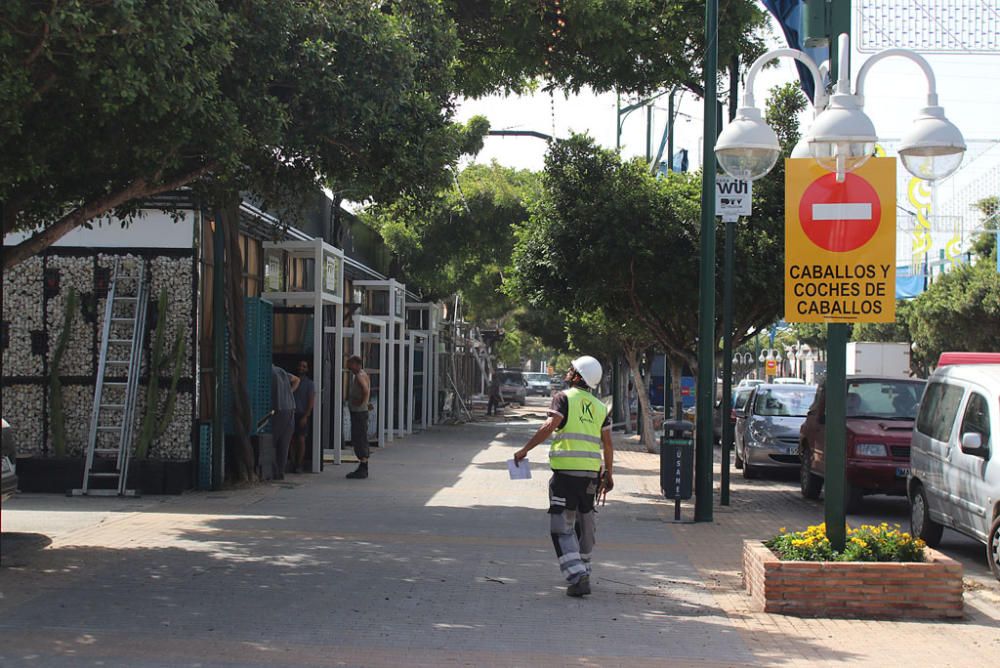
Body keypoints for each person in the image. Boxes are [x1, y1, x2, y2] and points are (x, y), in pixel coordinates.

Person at [513, 355, 613, 597]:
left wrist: (525, 450)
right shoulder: (600, 407)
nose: (568, 372)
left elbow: (549, 426)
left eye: (572, 369)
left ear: (578, 376)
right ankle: (585, 567)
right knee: (585, 521)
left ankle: (578, 576)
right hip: (590, 475)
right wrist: (608, 474)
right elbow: (608, 444)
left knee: (561, 526)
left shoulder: (563, 398)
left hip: (566, 474)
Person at [271, 364, 300, 481]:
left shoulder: (266, 373)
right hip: (290, 408)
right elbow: (297, 379)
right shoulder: (280, 370)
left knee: (271, 442)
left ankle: (272, 472)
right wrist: (289, 392)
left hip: (278, 409)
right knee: (284, 444)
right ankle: (280, 472)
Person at [345, 355, 371, 479]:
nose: (348, 367)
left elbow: (365, 390)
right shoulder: (363, 374)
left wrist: (362, 402)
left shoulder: (359, 376)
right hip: (360, 412)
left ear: (356, 364)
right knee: (360, 437)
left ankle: (363, 466)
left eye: (349, 364)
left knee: (359, 437)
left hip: (359, 413)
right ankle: (363, 465)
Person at [290, 358, 316, 473]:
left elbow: (311, 401)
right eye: (300, 365)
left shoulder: (309, 384)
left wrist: (306, 416)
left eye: (304, 366)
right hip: (291, 413)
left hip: (302, 414)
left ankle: (299, 464)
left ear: (307, 369)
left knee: (301, 439)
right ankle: (292, 462)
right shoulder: (291, 380)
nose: (301, 368)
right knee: (291, 440)